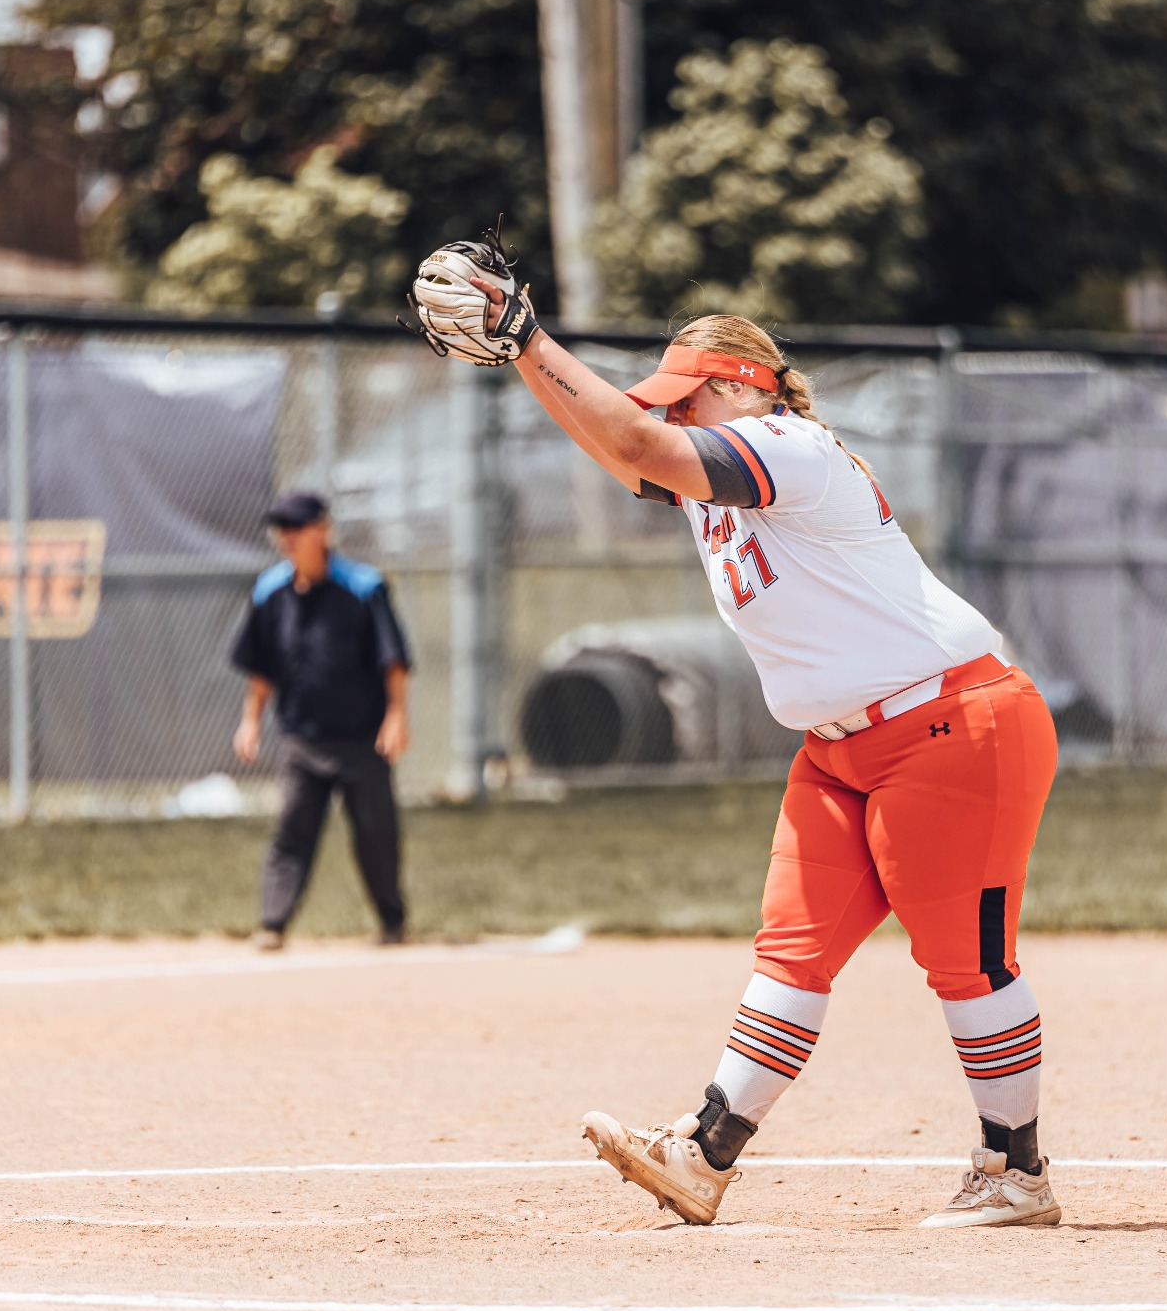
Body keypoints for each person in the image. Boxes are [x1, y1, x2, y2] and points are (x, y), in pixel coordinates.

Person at [418, 247, 1059, 1230]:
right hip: (837, 751)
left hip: (950, 725)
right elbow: (620, 444)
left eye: (687, 397)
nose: (672, 414)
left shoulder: (788, 445)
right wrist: (524, 360)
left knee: (965, 959)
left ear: (741, 385)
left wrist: (529, 339)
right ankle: (704, 1151)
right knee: (791, 951)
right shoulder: (711, 475)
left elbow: (637, 439)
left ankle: (1015, 1170)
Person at [230, 491, 413, 950]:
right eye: (281, 529)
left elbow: (392, 660)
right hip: (301, 738)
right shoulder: (270, 591)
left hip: (362, 739)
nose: (287, 538)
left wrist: (396, 716)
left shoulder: (364, 587)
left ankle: (391, 920)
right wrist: (250, 721)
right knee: (292, 831)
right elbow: (261, 668)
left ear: (323, 531)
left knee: (375, 833)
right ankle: (273, 923)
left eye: (297, 528)